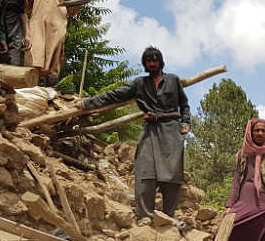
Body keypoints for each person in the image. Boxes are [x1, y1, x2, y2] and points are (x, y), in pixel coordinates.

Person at [81, 47, 190, 223]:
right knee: (144, 170)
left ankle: (169, 216)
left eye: (155, 60)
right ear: (145, 64)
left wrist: (186, 123)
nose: (152, 64)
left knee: (172, 174)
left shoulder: (173, 80)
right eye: (149, 61)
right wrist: (87, 103)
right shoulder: (139, 83)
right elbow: (114, 95)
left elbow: (184, 104)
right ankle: (145, 216)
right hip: (150, 130)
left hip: (172, 131)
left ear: (160, 62)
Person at [25, 0, 89, 86]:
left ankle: (50, 95)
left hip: (57, 29)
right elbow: (26, 6)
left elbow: (72, 11)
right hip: (37, 28)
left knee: (54, 62)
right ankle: (31, 93)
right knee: (34, 57)